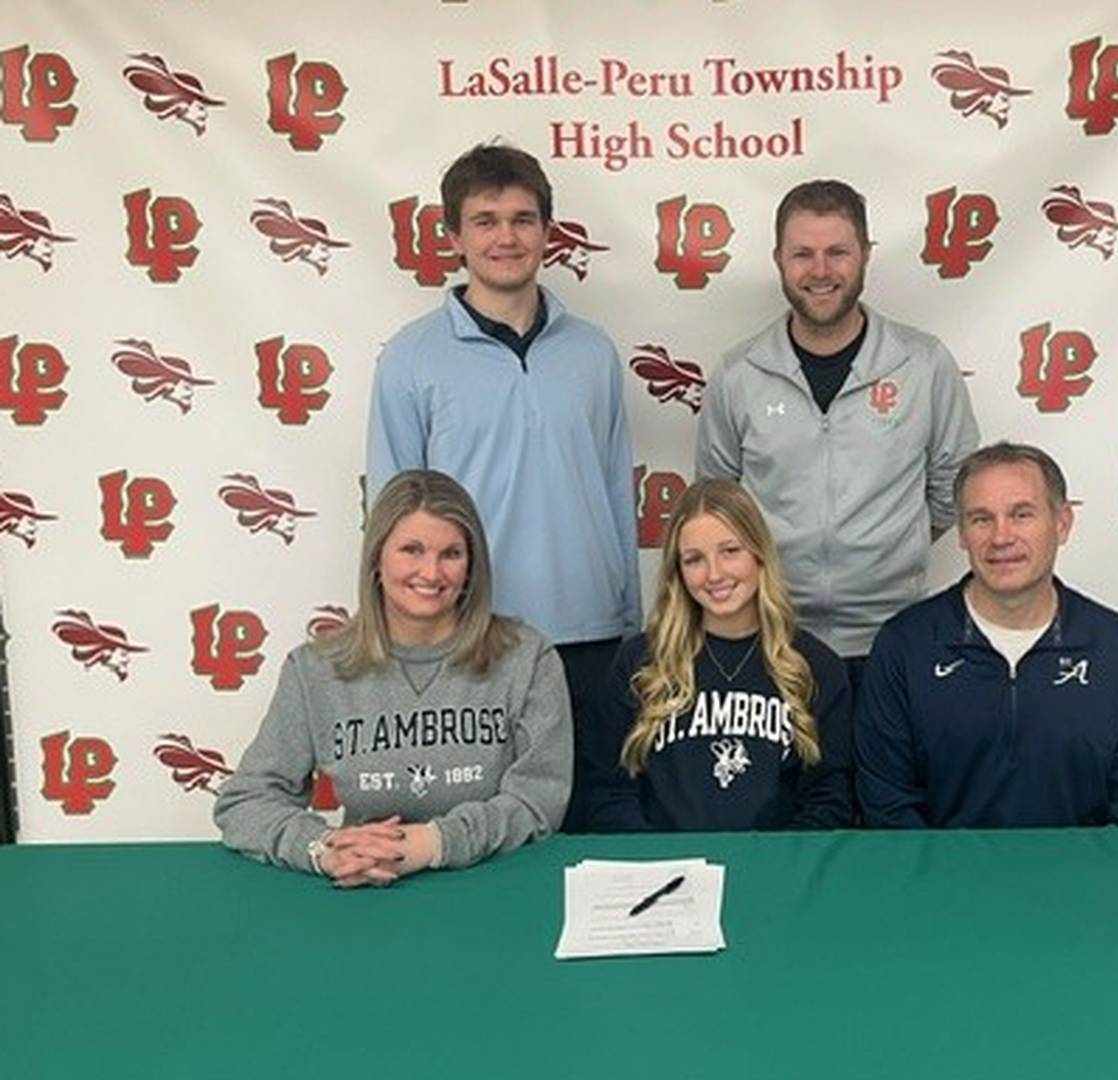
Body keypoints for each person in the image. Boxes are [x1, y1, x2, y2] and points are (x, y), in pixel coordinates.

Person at [366, 143, 639, 831]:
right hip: (473, 640)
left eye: (523, 218)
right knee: (479, 837)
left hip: (590, 639)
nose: (506, 237)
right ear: (453, 236)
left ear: (549, 232)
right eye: (485, 220)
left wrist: (631, 625)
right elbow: (392, 520)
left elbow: (614, 494)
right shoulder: (410, 358)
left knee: (590, 828)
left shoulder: (593, 351)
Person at [215, 470, 571, 885]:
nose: (432, 572)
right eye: (412, 550)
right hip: (367, 888)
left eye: (451, 554)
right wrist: (325, 849)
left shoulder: (528, 658)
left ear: (472, 564)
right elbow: (245, 801)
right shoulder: (314, 669)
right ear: (377, 559)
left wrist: (434, 844)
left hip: (495, 886)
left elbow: (539, 800)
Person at [695, 178, 979, 696]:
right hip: (772, 639)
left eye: (838, 252)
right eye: (803, 253)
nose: (821, 271)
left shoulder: (923, 365)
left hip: (894, 642)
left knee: (884, 780)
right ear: (779, 259)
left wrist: (896, 543)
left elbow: (951, 493)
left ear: (866, 256)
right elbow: (716, 508)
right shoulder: (738, 374)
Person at [856, 442, 1118, 828]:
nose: (1001, 537)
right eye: (981, 519)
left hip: (1082, 885)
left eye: (1021, 515)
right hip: (944, 885)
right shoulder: (905, 646)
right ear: (961, 533)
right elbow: (886, 805)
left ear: (1062, 523)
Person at [584, 478, 852, 831]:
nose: (714, 574)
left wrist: (777, 865)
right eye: (694, 559)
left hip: (775, 873)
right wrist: (658, 863)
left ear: (759, 554)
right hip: (666, 876)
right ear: (677, 572)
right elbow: (607, 791)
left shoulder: (815, 666)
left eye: (730, 551)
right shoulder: (638, 664)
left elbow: (829, 798)